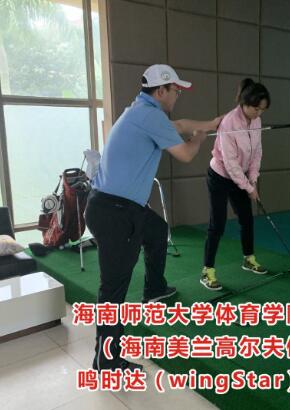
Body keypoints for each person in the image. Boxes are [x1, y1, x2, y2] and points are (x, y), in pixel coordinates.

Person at [85, 64, 221, 372]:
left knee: (157, 231)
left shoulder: (141, 111)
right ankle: (106, 359)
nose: (177, 95)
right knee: (113, 289)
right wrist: (200, 139)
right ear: (161, 91)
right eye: (175, 90)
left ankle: (155, 289)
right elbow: (186, 153)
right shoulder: (150, 116)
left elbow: (181, 124)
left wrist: (212, 123)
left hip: (112, 206)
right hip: (117, 213)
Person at [200, 78, 270, 291]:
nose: (259, 113)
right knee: (217, 223)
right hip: (220, 176)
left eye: (262, 109)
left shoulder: (256, 121)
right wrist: (248, 188)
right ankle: (207, 271)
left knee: (247, 219)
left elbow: (257, 152)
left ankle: (248, 258)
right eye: (256, 108)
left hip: (241, 176)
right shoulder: (229, 123)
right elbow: (230, 163)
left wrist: (253, 180)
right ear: (245, 104)